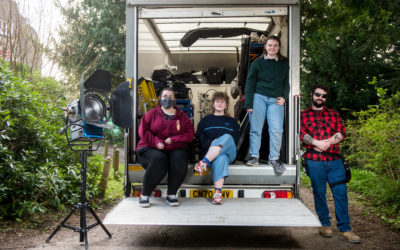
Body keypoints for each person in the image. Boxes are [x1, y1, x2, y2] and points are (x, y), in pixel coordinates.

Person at [300, 85, 361, 243]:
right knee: (319, 193)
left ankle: (345, 229)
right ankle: (324, 224)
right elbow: (302, 134)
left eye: (323, 96)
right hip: (314, 161)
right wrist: (315, 142)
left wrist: (325, 143)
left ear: (326, 98)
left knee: (341, 193)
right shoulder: (303, 115)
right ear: (312, 95)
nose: (320, 97)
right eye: (317, 94)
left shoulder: (333, 114)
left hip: (334, 161)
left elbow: (341, 132)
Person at [136, 88, 195, 208]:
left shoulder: (182, 117)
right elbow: (143, 131)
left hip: (174, 147)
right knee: (159, 159)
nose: (167, 99)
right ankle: (145, 195)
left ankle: (172, 194)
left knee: (179, 158)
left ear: (174, 100)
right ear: (160, 99)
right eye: (165, 96)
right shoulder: (152, 114)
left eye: (171, 96)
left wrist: (174, 139)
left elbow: (190, 134)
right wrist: (156, 142)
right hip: (150, 146)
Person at [244, 35, 289, 175]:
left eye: (275, 45)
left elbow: (286, 82)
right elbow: (250, 83)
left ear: (279, 48)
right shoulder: (257, 63)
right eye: (270, 45)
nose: (272, 48)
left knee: (276, 130)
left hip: (276, 99)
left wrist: (285, 98)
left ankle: (274, 158)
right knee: (256, 128)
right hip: (259, 97)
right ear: (265, 46)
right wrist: (249, 103)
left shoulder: (283, 63)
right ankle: (254, 156)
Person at [195, 91, 240, 205]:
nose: (220, 104)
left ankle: (203, 163)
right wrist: (211, 143)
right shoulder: (205, 121)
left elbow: (235, 140)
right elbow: (199, 139)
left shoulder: (232, 122)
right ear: (213, 104)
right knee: (221, 158)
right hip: (211, 153)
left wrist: (220, 142)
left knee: (227, 137)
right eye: (217, 101)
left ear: (226, 105)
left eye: (223, 102)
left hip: (229, 152)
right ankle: (218, 194)